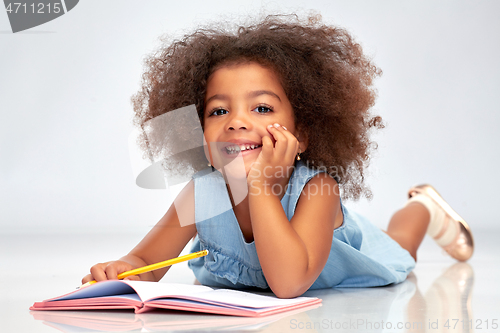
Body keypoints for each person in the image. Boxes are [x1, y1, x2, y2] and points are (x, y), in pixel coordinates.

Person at [82, 14, 473, 298]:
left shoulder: (318, 189)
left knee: (401, 242)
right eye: (218, 111)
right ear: (200, 135)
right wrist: (123, 270)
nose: (236, 123)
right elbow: (146, 259)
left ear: (302, 133)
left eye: (263, 108)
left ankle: (423, 205)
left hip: (349, 257)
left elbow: (288, 284)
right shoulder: (201, 193)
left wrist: (261, 189)